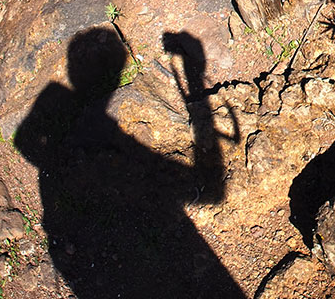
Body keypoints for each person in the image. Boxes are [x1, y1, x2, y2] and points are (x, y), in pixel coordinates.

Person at [13, 27, 245, 298]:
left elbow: (25, 141)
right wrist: (193, 77)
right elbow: (211, 191)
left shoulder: (58, 104)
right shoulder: (73, 111)